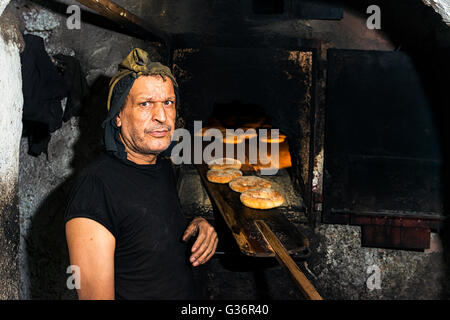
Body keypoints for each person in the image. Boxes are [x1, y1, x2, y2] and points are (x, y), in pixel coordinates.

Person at [64, 48, 218, 300]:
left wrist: (198, 223)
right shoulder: (95, 188)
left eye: (168, 103)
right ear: (118, 117)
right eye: (145, 104)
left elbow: (148, 229)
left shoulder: (161, 166)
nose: (161, 116)